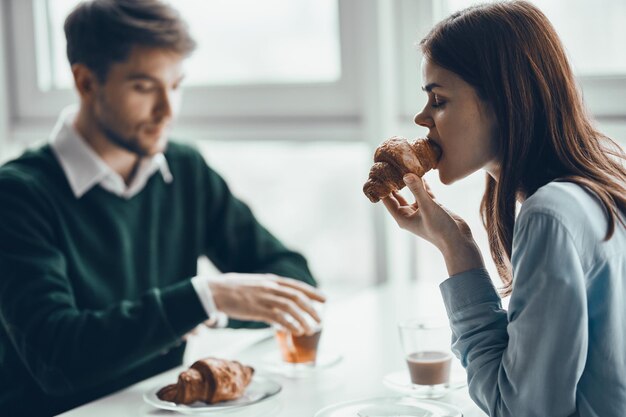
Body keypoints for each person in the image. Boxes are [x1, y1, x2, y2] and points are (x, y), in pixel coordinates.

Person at [0, 1, 324, 415]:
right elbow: (58, 358)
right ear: (85, 82)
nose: (168, 110)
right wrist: (201, 299)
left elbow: (293, 278)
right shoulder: (17, 195)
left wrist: (214, 309)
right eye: (143, 87)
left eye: (175, 85)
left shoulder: (185, 169)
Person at [382, 2, 626, 416]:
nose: (422, 118)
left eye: (438, 99)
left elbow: (521, 410)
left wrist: (457, 253)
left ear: (503, 99)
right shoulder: (596, 194)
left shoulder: (551, 213)